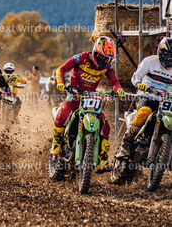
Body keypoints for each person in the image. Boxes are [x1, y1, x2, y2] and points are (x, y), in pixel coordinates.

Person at [50, 36, 124, 171]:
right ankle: (56, 143)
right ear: (95, 52)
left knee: (105, 126)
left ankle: (102, 160)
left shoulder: (107, 66)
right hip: (74, 95)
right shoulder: (81, 58)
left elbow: (114, 81)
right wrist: (60, 83)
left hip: (91, 98)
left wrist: (118, 90)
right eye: (101, 57)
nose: (103, 61)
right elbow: (61, 69)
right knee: (62, 115)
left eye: (107, 59)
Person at [117, 36, 172, 157]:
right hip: (147, 96)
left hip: (165, 101)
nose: (169, 59)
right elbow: (136, 76)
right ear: (160, 52)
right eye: (167, 55)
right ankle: (127, 141)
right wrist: (139, 84)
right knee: (144, 112)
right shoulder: (150, 61)